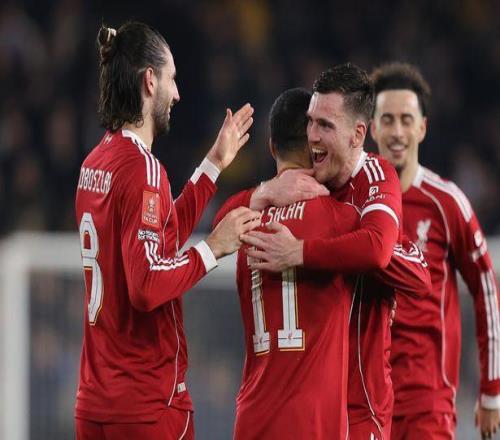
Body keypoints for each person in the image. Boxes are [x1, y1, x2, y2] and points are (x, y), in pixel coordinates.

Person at [73, 21, 262, 440]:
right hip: (147, 405)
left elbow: (158, 238)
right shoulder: (142, 169)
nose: (177, 94)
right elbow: (145, 285)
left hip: (95, 404)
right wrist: (212, 249)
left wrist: (213, 164)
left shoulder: (94, 163)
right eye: (172, 79)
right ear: (150, 80)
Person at [221, 76, 430, 439]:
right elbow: (407, 266)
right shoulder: (331, 213)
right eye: (311, 125)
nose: (315, 136)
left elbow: (391, 258)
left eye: (324, 125)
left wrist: (300, 249)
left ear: (357, 135)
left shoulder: (370, 181)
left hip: (341, 406)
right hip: (320, 414)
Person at [370, 62, 500, 440]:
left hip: (427, 402)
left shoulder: (446, 202)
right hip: (365, 400)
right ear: (372, 127)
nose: (397, 131)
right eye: (388, 120)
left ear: (422, 127)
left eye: (406, 120)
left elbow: (486, 291)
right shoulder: (354, 202)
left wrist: (491, 390)